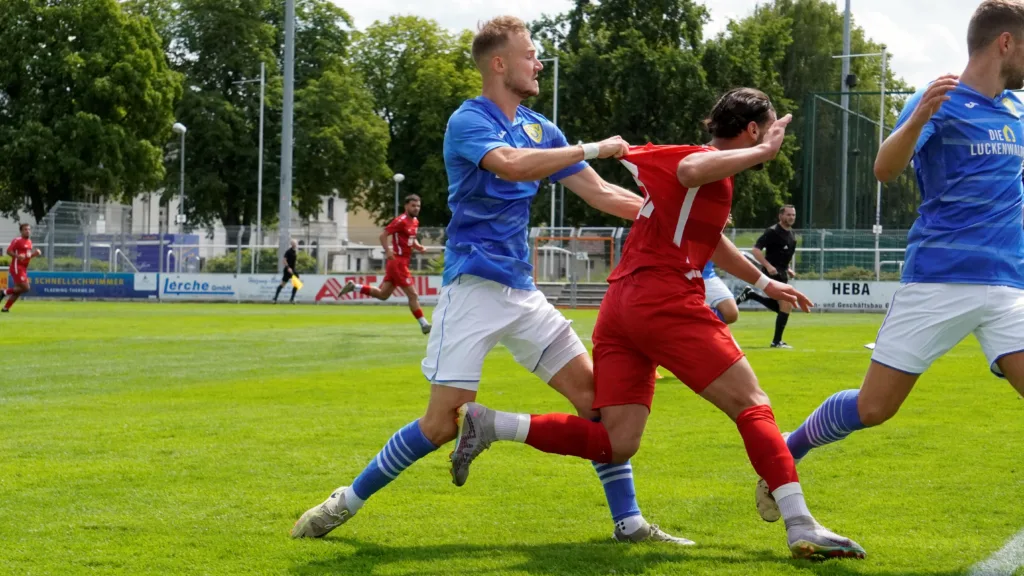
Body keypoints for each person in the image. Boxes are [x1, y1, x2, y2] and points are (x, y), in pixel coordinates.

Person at [290, 15, 689, 545]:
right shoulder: (468, 120)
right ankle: (345, 501)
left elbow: (603, 194)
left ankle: (629, 522)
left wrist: (674, 218)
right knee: (441, 425)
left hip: (522, 293)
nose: (539, 63)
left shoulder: (541, 129)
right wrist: (591, 147)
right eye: (530, 55)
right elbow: (510, 165)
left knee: (595, 404)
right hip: (472, 288)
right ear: (499, 64)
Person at [449, 88, 865, 559]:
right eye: (769, 131)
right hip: (664, 298)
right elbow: (691, 169)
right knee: (752, 405)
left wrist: (766, 284)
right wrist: (764, 152)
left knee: (617, 442)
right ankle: (800, 523)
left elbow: (711, 238)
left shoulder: (706, 172)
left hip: (621, 306)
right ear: (753, 130)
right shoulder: (703, 162)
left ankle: (492, 424)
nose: (775, 141)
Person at [755, 0, 1024, 526]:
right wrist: (919, 117)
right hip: (939, 280)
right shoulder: (938, 99)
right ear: (1006, 43)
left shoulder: (1017, 110)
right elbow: (884, 168)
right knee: (874, 408)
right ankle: (787, 451)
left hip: (1009, 286)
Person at [340, 195, 432, 334]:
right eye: (413, 205)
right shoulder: (400, 221)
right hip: (398, 262)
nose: (416, 208)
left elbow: (411, 239)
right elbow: (383, 235)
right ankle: (424, 324)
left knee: (383, 295)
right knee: (413, 295)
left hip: (399, 262)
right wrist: (388, 251)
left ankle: (355, 287)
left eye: (418, 206)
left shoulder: (415, 221)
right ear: (406, 206)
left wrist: (419, 247)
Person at [736, 205, 798, 348]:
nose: (791, 217)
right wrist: (768, 266)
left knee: (783, 308)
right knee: (786, 304)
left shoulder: (792, 235)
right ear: (780, 216)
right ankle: (776, 342)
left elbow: (784, 255)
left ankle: (751, 294)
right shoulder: (772, 231)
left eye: (793, 215)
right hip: (771, 273)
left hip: (782, 273)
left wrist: (788, 269)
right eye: (788, 214)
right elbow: (756, 250)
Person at [1, 223, 41, 313]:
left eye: (29, 229)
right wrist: (17, 256)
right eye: (25, 229)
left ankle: (5, 308)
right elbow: (8, 251)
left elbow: (27, 256)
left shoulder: (29, 242)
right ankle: (4, 292)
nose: (28, 231)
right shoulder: (17, 240)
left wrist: (35, 254)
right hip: (17, 267)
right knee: (26, 288)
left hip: (23, 268)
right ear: (21, 231)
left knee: (18, 291)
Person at [273, 239, 300, 304]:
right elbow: (284, 260)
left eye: (295, 243)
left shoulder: (295, 251)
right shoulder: (288, 251)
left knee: (297, 283)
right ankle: (275, 299)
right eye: (293, 243)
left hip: (293, 270)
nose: (295, 244)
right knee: (283, 284)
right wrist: (288, 268)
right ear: (291, 244)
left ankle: (292, 299)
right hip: (288, 270)